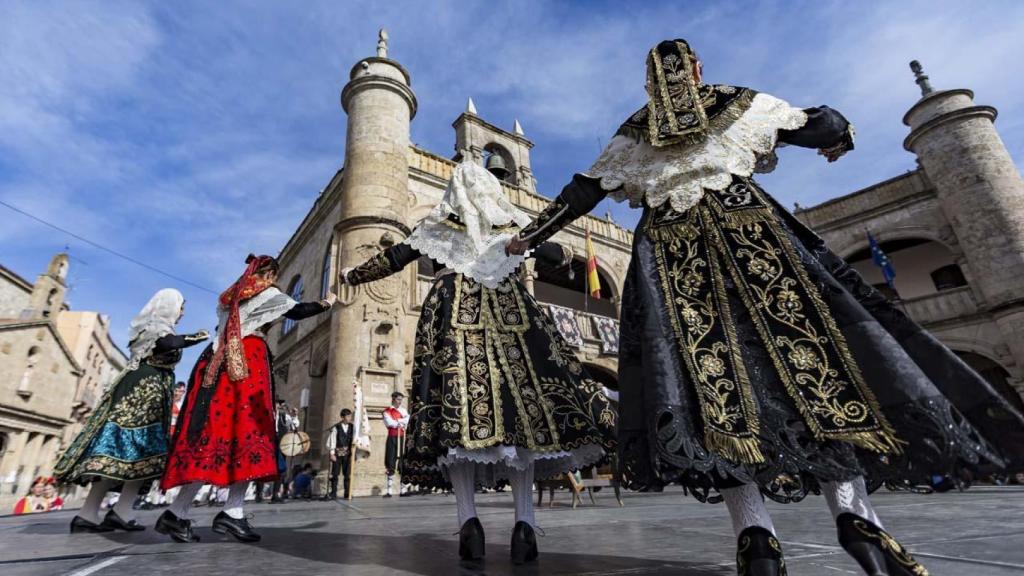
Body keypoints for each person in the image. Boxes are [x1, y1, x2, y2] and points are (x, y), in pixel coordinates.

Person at [506, 38, 1024, 576]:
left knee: (707, 386)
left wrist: (528, 236)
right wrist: (840, 136)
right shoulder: (732, 101)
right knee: (816, 361)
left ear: (649, 86)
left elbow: (581, 191)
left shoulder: (632, 133)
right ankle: (856, 518)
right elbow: (817, 122)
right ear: (699, 71)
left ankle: (755, 537)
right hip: (751, 232)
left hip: (672, 249)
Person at [341, 160, 616, 564]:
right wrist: (556, 253)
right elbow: (557, 253)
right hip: (512, 318)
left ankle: (468, 522)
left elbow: (394, 257)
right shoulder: (511, 224)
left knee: (459, 424)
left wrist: (351, 275)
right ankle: (524, 524)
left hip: (452, 320)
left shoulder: (436, 229)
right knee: (521, 420)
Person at [157, 255, 335, 544]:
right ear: (268, 274)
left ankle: (177, 512)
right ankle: (232, 512)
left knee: (213, 436)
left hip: (214, 364)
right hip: (245, 362)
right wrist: (328, 302)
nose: (273, 281)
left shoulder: (230, 297)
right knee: (251, 432)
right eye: (273, 275)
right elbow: (299, 311)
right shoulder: (266, 292)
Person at [54, 289, 207, 533]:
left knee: (139, 458)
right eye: (181, 306)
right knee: (124, 452)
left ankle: (115, 511)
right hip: (140, 397)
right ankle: (93, 513)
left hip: (152, 395)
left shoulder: (156, 327)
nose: (182, 312)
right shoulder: (153, 327)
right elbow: (164, 344)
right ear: (168, 305)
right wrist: (195, 338)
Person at [381, 392, 409, 498]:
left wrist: (398, 421)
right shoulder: (387, 411)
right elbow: (389, 423)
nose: (400, 401)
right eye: (398, 399)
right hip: (392, 438)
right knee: (390, 461)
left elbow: (407, 420)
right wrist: (401, 422)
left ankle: (403, 489)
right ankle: (389, 490)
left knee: (402, 461)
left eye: (401, 399)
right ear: (393, 399)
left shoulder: (403, 410)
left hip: (402, 437)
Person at [324, 408, 355, 500]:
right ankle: (333, 492)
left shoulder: (352, 427)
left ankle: (347, 492)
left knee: (347, 474)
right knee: (335, 474)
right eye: (347, 416)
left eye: (350, 416)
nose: (349, 418)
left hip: (348, 454)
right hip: (337, 453)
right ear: (342, 417)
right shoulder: (336, 427)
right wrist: (332, 453)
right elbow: (332, 440)